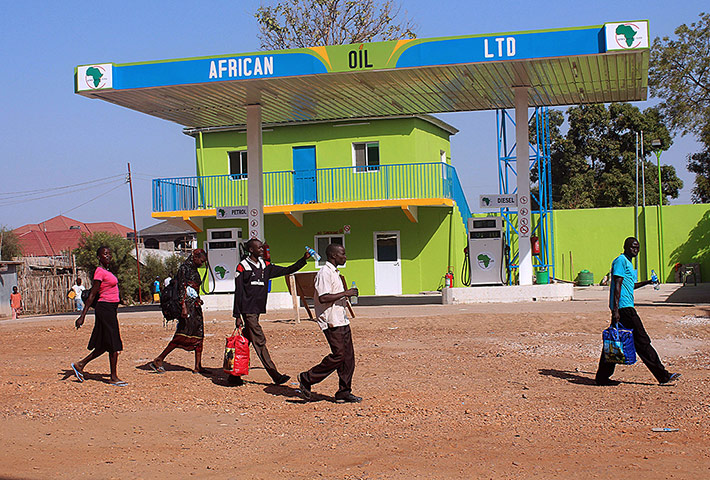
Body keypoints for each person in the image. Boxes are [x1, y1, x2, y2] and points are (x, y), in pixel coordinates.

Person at [595, 237, 681, 386]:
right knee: (642, 342)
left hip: (624, 308)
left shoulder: (628, 263)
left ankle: (602, 377)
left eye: (637, 248)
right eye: (633, 247)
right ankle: (663, 376)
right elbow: (617, 285)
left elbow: (630, 286)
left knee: (614, 340)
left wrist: (648, 282)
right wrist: (615, 311)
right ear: (625, 247)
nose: (635, 250)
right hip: (624, 308)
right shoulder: (620, 261)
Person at [230, 238, 310, 386]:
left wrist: (303, 260)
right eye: (259, 248)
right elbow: (239, 292)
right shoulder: (242, 267)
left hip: (257, 309)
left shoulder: (265, 266)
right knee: (259, 341)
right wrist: (237, 315)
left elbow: (287, 270)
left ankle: (233, 375)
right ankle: (275, 375)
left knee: (245, 342)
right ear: (251, 250)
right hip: (248, 311)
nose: (262, 249)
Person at [298, 244, 361, 403]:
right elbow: (323, 297)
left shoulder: (335, 273)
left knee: (348, 358)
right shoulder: (324, 273)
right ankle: (307, 378)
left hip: (341, 319)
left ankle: (344, 392)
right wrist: (346, 293)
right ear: (333, 256)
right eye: (343, 254)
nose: (345, 257)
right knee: (339, 355)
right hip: (331, 320)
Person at [71, 246, 126, 386]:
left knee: (105, 343)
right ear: (99, 257)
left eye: (109, 254)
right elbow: (92, 295)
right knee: (114, 343)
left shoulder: (107, 271)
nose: (108, 256)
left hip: (111, 309)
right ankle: (113, 377)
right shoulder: (99, 272)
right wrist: (83, 315)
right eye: (105, 254)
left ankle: (80, 364)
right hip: (104, 309)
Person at [150, 249, 208, 374]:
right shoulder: (184, 268)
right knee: (182, 334)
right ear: (195, 257)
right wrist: (183, 306)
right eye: (201, 261)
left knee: (199, 333)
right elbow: (182, 287)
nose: (202, 264)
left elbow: (192, 288)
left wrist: (198, 299)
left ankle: (198, 366)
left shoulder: (193, 269)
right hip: (187, 306)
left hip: (195, 306)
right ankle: (159, 359)